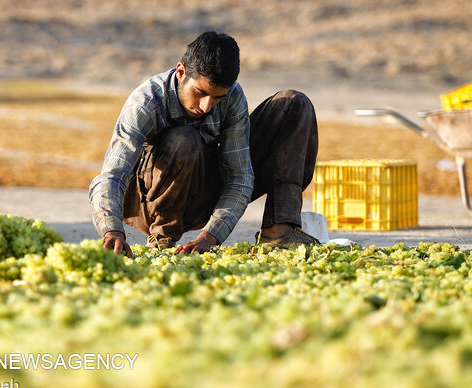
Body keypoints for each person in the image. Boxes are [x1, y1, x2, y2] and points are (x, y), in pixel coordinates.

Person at [89, 31, 319, 257]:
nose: (207, 106)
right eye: (199, 92)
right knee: (184, 138)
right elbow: (113, 174)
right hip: (148, 204)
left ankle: (278, 232)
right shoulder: (146, 102)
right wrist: (112, 230)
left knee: (293, 104)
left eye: (217, 97)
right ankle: (162, 239)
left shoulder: (232, 97)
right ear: (181, 72)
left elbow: (239, 177)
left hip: (204, 196)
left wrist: (210, 236)